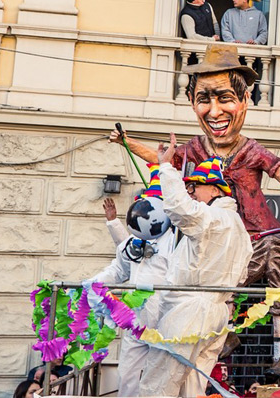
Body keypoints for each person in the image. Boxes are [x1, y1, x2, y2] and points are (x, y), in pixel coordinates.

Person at [108, 43, 280, 375]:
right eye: (204, 99)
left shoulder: (252, 150)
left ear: (245, 102)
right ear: (191, 102)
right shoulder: (195, 151)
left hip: (267, 235)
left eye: (225, 98)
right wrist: (127, 141)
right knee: (224, 285)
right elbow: (161, 159)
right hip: (232, 242)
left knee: (277, 293)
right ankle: (225, 334)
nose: (215, 111)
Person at [130, 135, 251, 396]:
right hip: (215, 313)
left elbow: (178, 207)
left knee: (160, 381)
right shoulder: (236, 225)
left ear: (216, 190)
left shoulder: (213, 217)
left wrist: (165, 167)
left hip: (190, 311)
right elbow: (242, 273)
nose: (191, 190)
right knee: (194, 387)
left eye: (196, 185)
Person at [88, 170, 174, 396]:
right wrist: (94, 284)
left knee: (161, 374)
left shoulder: (176, 239)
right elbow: (119, 268)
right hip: (135, 318)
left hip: (165, 318)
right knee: (127, 372)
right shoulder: (134, 241)